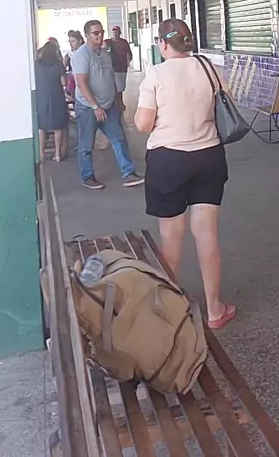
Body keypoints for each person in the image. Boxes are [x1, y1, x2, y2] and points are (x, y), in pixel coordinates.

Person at [134, 18, 235, 330]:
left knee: (171, 236)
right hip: (209, 156)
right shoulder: (209, 68)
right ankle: (215, 309)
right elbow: (225, 104)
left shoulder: (156, 73)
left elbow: (143, 124)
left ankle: (170, 311)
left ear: (163, 44)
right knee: (206, 233)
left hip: (168, 161)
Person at [73, 19, 142, 190]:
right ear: (87, 35)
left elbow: (110, 78)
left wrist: (117, 100)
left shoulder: (104, 53)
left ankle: (128, 173)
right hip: (88, 107)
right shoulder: (82, 55)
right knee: (86, 144)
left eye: (101, 32)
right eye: (95, 33)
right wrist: (95, 106)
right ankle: (87, 176)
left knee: (118, 138)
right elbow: (81, 83)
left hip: (109, 105)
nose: (100, 36)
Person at [36, 40, 70, 163]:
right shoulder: (58, 65)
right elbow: (64, 83)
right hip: (56, 97)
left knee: (42, 128)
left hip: (41, 97)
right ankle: (57, 154)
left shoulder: (37, 64)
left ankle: (41, 154)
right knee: (58, 127)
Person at [105, 26, 132, 109]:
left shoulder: (124, 42)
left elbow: (129, 54)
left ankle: (120, 102)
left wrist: (128, 60)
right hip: (111, 69)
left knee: (120, 88)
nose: (115, 33)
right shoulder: (107, 42)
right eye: (113, 32)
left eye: (116, 32)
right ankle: (115, 103)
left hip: (121, 68)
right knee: (112, 88)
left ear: (120, 33)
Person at [64, 30, 84, 99]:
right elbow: (63, 65)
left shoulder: (86, 52)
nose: (70, 44)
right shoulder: (70, 53)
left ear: (80, 41)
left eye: (73, 41)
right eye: (69, 42)